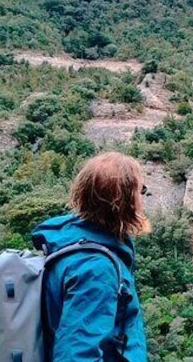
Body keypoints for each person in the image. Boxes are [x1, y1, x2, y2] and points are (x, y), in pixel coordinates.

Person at [31, 151, 150, 362]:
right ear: (123, 201)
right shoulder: (96, 268)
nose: (143, 199)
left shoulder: (71, 243)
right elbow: (76, 355)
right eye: (141, 191)